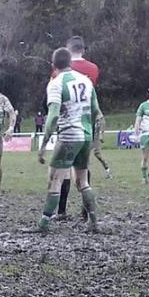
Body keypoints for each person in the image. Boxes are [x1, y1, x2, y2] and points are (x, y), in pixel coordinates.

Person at [37, 47, 101, 232]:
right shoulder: (86, 81)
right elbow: (95, 110)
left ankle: (44, 224)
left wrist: (43, 144)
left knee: (55, 178)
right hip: (85, 135)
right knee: (82, 181)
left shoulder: (56, 83)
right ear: (70, 63)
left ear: (53, 65)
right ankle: (93, 222)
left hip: (69, 135)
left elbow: (53, 116)